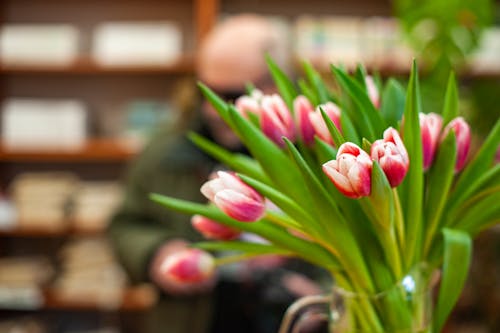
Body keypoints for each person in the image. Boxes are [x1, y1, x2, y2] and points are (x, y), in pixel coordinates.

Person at [108, 14, 324, 333]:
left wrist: (328, 296)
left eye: (230, 96)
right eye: (205, 92)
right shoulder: (165, 148)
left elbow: (368, 246)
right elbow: (124, 225)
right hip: (192, 316)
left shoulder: (320, 149)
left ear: (277, 85)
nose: (213, 109)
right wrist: (156, 254)